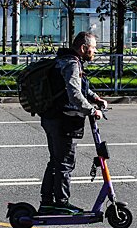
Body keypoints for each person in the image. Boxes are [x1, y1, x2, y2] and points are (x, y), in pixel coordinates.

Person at [38, 31, 107, 215]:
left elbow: (79, 86)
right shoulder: (72, 64)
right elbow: (74, 94)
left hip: (51, 117)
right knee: (65, 164)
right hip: (63, 120)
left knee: (55, 162)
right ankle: (61, 202)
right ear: (83, 48)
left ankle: (47, 202)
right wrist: (92, 110)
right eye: (93, 48)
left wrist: (94, 97)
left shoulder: (64, 60)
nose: (95, 52)